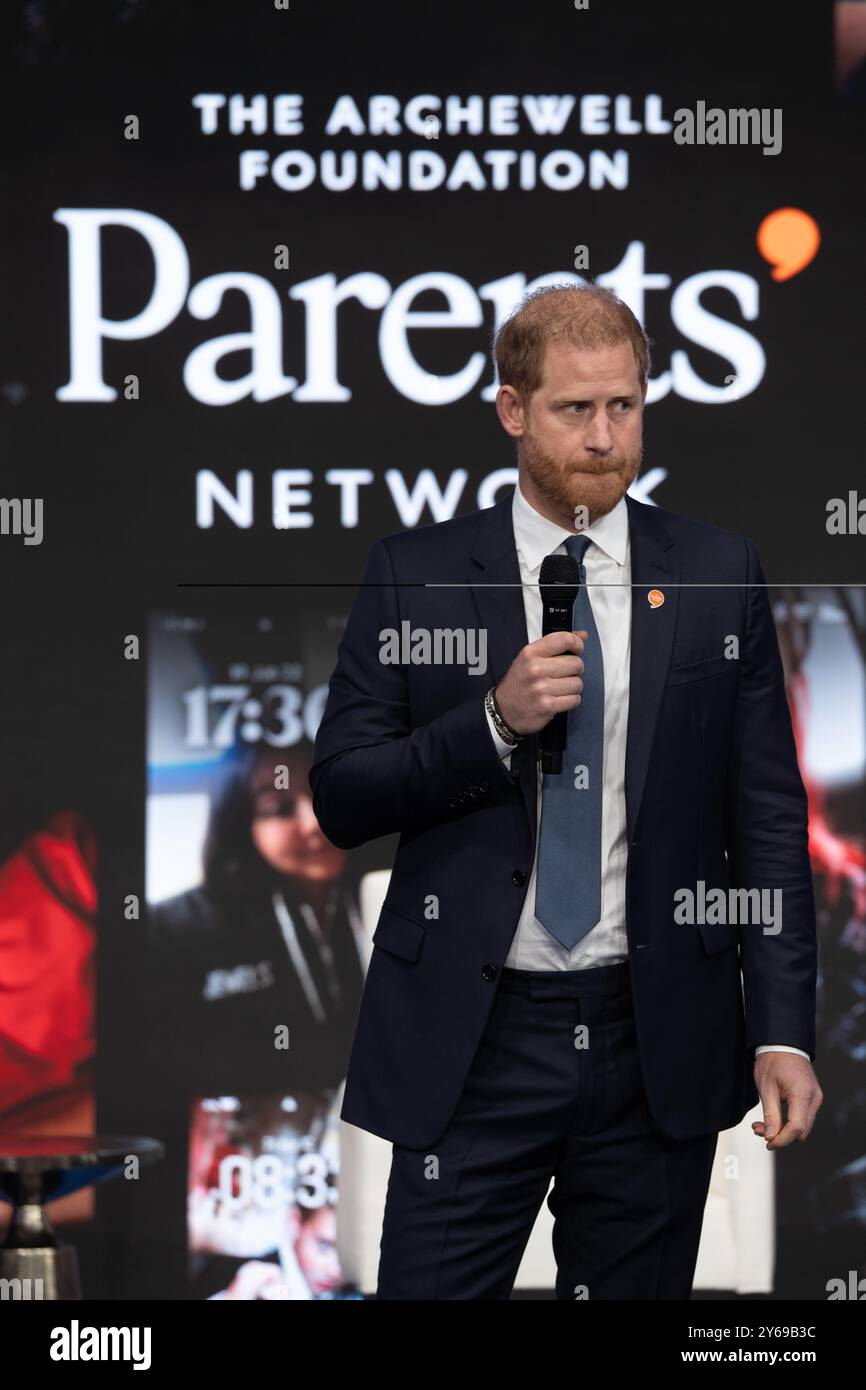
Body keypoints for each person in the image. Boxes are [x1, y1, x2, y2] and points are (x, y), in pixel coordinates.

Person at [309, 282, 822, 1300]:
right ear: (510, 409)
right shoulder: (415, 573)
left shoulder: (718, 571)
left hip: (655, 1032)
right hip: (473, 1039)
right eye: (572, 408)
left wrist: (779, 1027)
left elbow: (763, 816)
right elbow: (342, 794)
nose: (602, 436)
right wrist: (491, 720)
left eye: (622, 406)